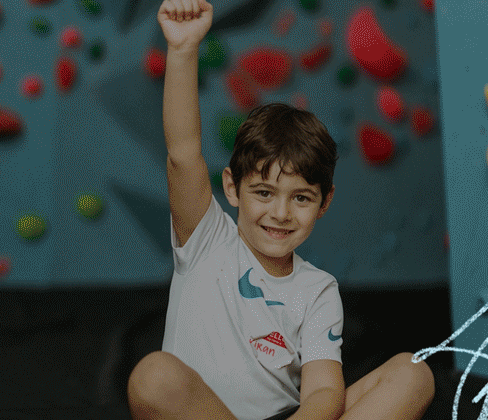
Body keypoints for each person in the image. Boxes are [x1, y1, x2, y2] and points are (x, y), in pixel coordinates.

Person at [125, 1, 434, 419]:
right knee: (153, 375)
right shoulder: (206, 239)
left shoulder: (317, 290)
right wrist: (181, 50)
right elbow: (182, 153)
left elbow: (324, 393)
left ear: (324, 202)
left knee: (413, 373)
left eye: (301, 198)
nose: (281, 213)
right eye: (264, 193)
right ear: (232, 189)